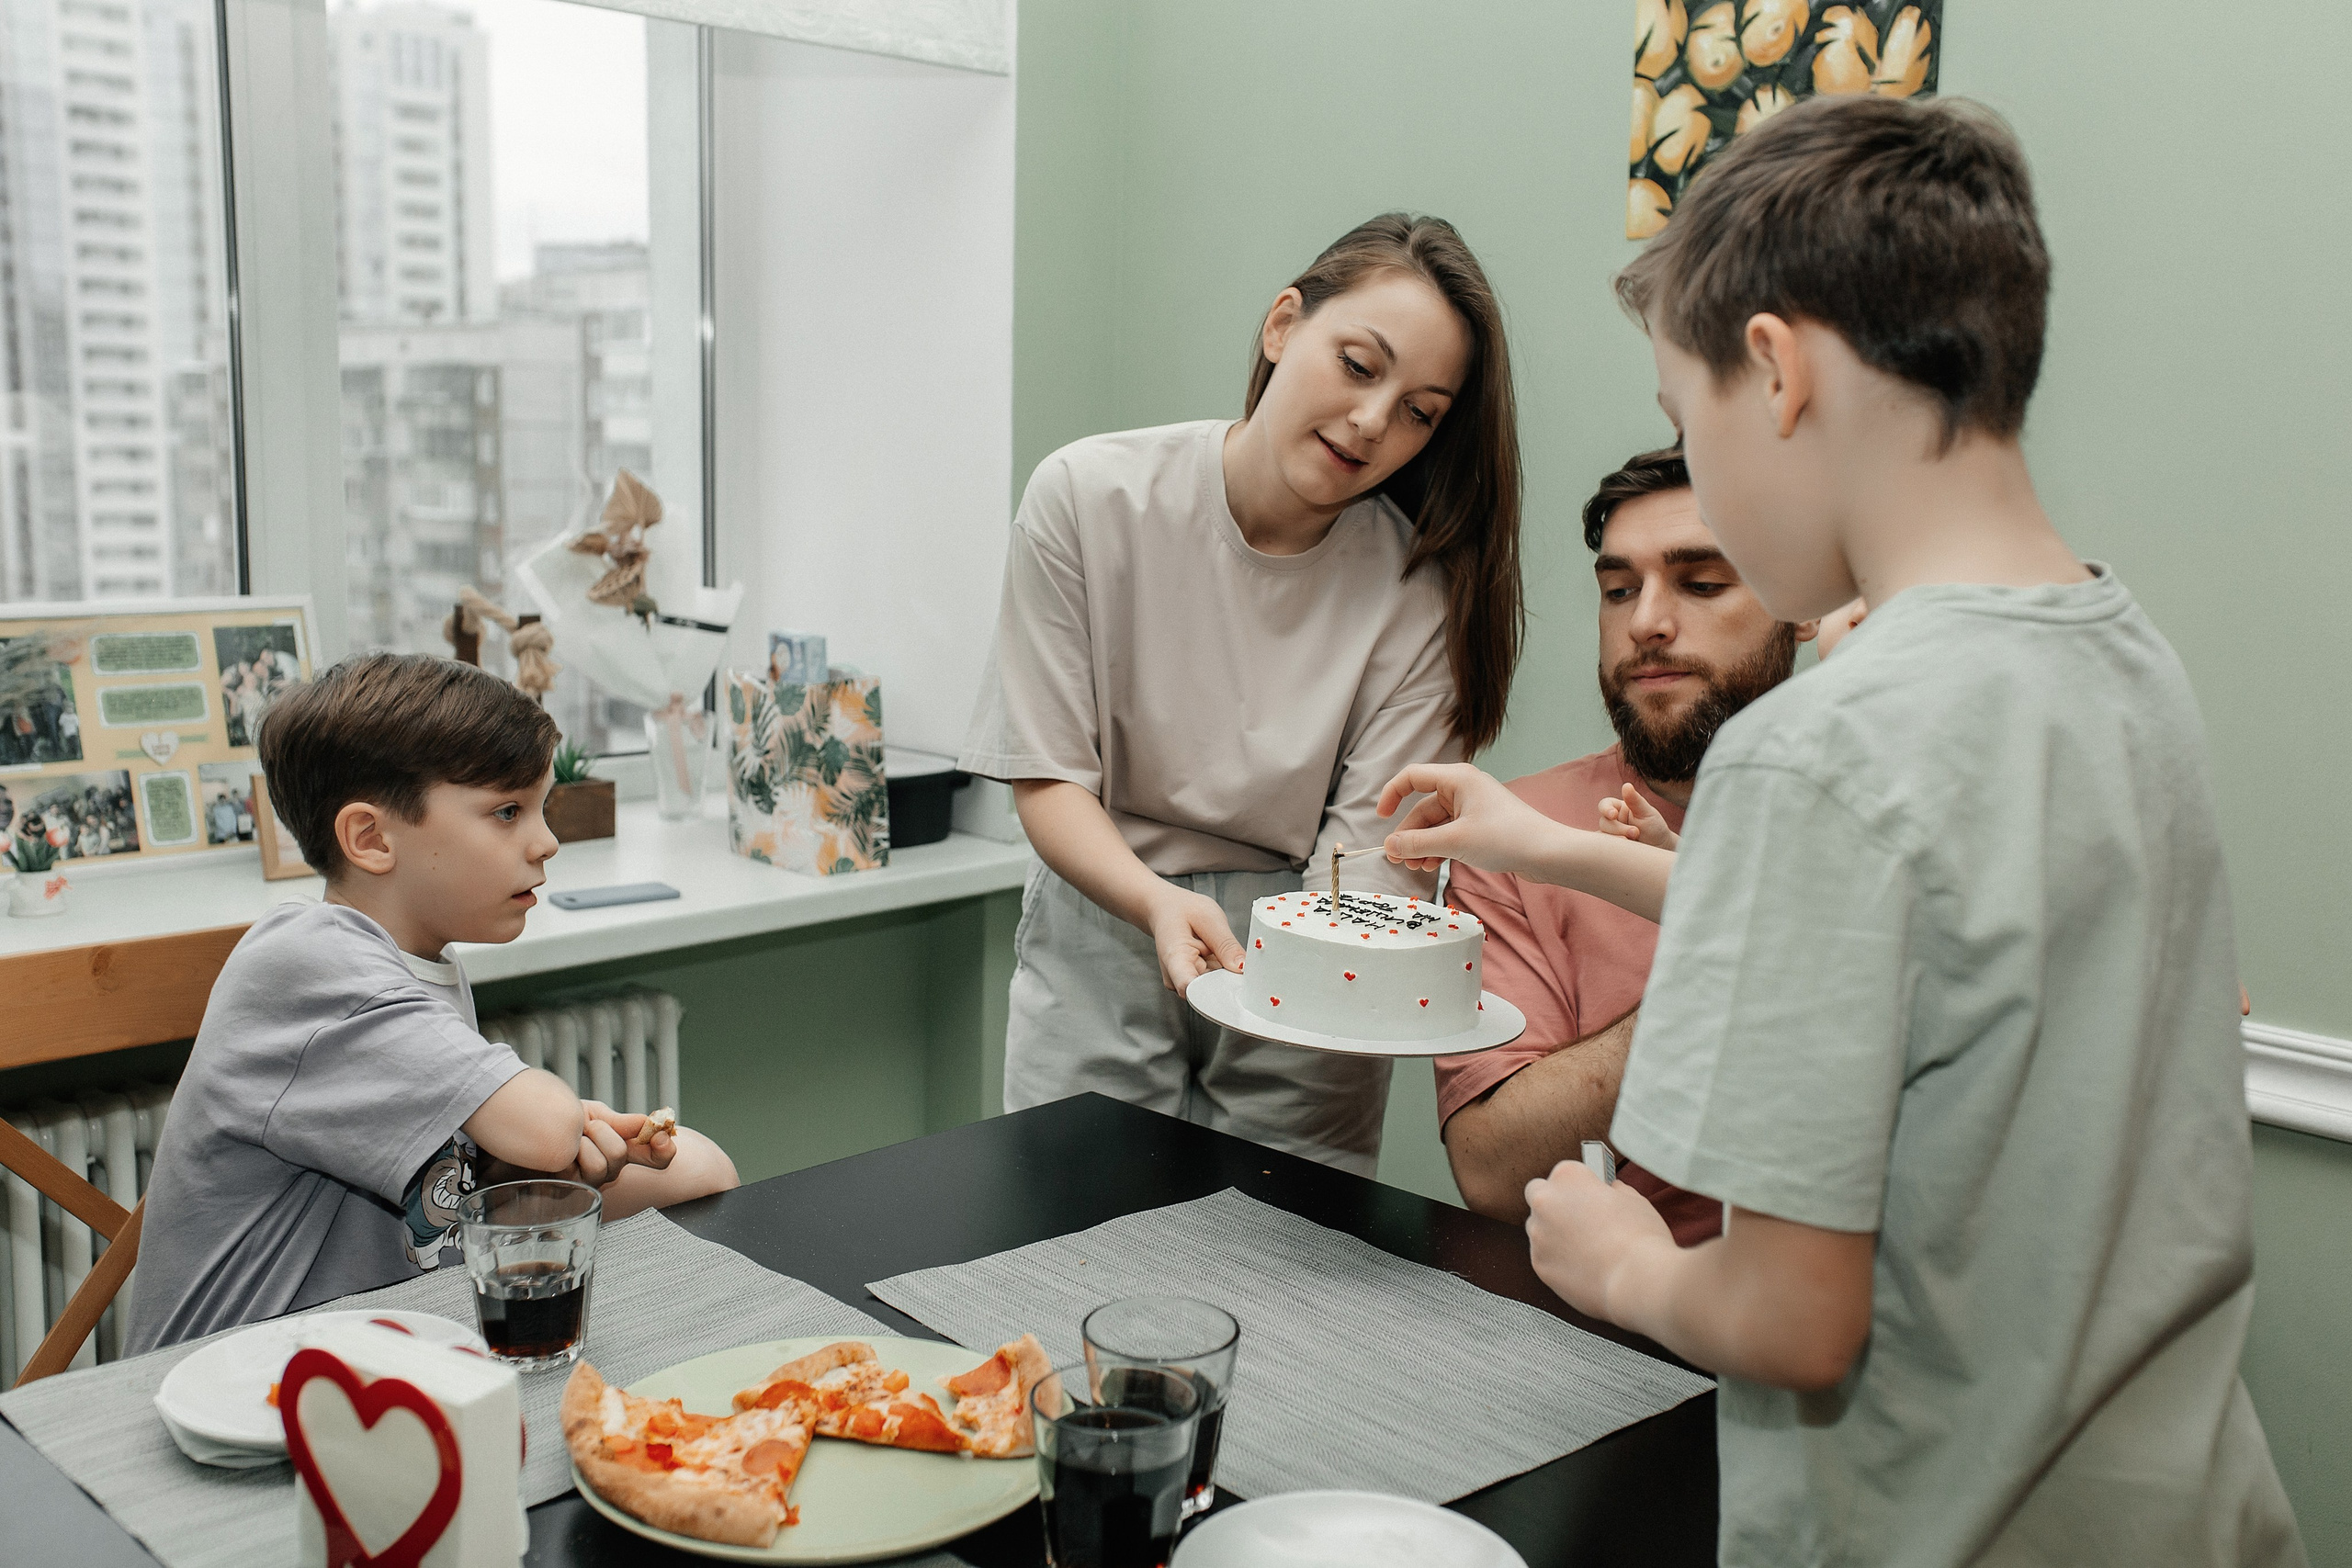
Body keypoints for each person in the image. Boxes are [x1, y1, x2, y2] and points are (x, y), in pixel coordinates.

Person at [1381, 96, 2301, 1565]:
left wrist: (1625, 1265)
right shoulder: (2128, 656)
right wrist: (1547, 845)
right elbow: (1926, 929)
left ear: (1776, 371)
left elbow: (1789, 1319)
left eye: (1688, 422)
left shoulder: (1816, 750)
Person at [960, 213, 1523, 1174]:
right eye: (1357, 365)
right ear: (1282, 325)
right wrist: (1151, 901)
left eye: (1420, 412)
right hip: (1104, 906)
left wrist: (1303, 962)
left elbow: (1371, 857)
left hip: (1317, 941)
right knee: (1071, 1229)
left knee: (1289, 1245)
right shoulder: (1087, 497)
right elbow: (1047, 778)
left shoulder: (1421, 594)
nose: (1372, 421)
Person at [130, 653, 740, 1354]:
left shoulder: (424, 965)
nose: (547, 841)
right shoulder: (307, 958)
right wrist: (557, 1127)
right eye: (507, 811)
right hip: (225, 1372)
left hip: (367, 1352)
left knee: (698, 1168)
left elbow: (462, 1171)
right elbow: (543, 1128)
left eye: (539, 809)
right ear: (370, 838)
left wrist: (529, 1154)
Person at [1435, 447, 1812, 1235]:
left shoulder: (1878, 813)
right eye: (1619, 590)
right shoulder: (1514, 838)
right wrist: (1716, 983)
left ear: (1805, 603)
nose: (1645, 623)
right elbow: (1493, 1172)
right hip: (1599, 1304)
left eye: (1702, 584)